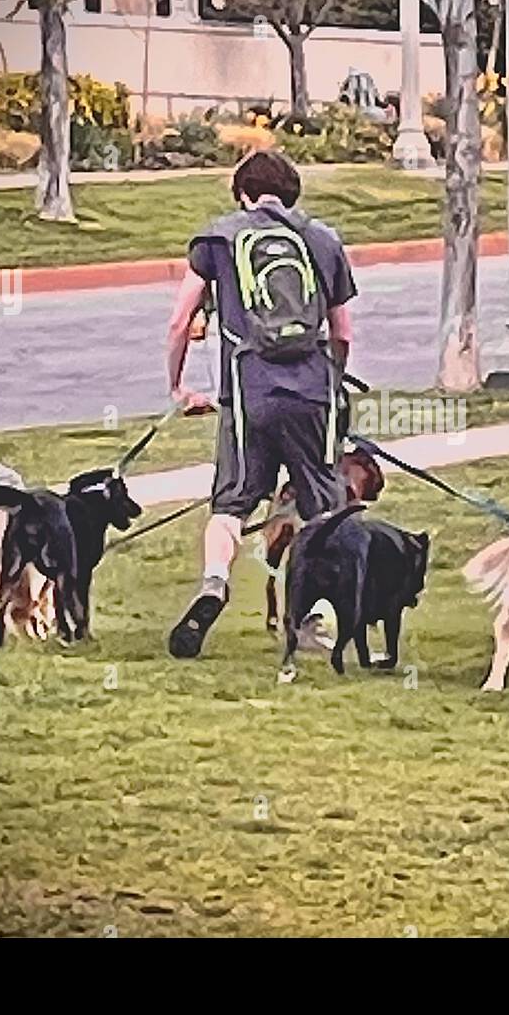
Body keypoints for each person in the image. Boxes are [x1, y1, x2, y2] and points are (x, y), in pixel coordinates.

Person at [165, 151, 357, 658]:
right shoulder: (324, 239)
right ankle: (314, 618)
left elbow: (181, 320)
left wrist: (179, 387)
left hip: (247, 391)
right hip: (312, 389)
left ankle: (213, 584)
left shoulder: (218, 238)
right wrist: (333, 383)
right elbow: (342, 332)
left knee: (231, 504)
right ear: (292, 194)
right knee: (323, 508)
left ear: (242, 194)